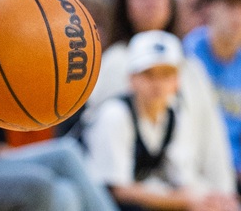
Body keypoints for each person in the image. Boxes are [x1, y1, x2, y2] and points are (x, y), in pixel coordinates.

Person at [84, 0, 234, 193]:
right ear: (125, 3)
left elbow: (213, 139)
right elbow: (107, 154)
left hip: (191, 189)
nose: (151, 0)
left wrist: (225, 194)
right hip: (135, 193)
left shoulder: (190, 66)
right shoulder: (113, 63)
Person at [84, 30, 241, 211]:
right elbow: (116, 190)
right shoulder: (115, 115)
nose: (157, 83)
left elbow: (181, 178)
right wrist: (184, 201)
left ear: (177, 82)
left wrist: (213, 199)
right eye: (148, 74)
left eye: (166, 74)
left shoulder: (172, 115)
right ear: (132, 79)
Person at [183, 0, 241, 187]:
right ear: (209, 7)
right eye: (231, 5)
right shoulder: (188, 53)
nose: (238, 16)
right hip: (195, 171)